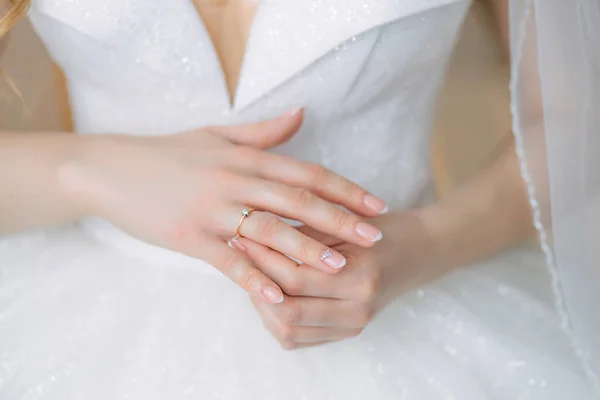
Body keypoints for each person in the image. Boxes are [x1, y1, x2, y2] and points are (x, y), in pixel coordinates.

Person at [0, 0, 594, 398]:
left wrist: (427, 243)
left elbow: (578, 116)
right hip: (74, 325)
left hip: (413, 312)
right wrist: (92, 170)